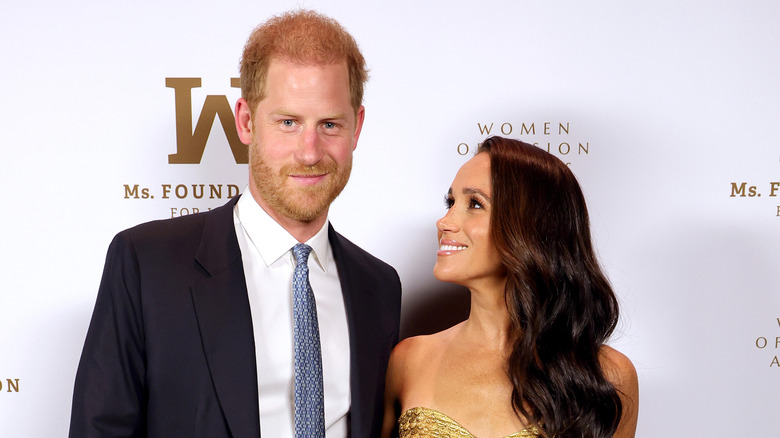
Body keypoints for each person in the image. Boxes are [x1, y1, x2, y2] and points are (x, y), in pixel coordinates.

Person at [69, 10, 401, 438]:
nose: (310, 152)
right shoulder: (147, 264)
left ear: (356, 128)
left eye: (330, 125)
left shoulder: (379, 285)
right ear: (245, 121)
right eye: (288, 122)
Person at [382, 137, 638, 438]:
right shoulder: (409, 360)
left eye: (474, 204)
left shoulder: (608, 375)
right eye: (451, 202)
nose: (444, 221)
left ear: (531, 226)